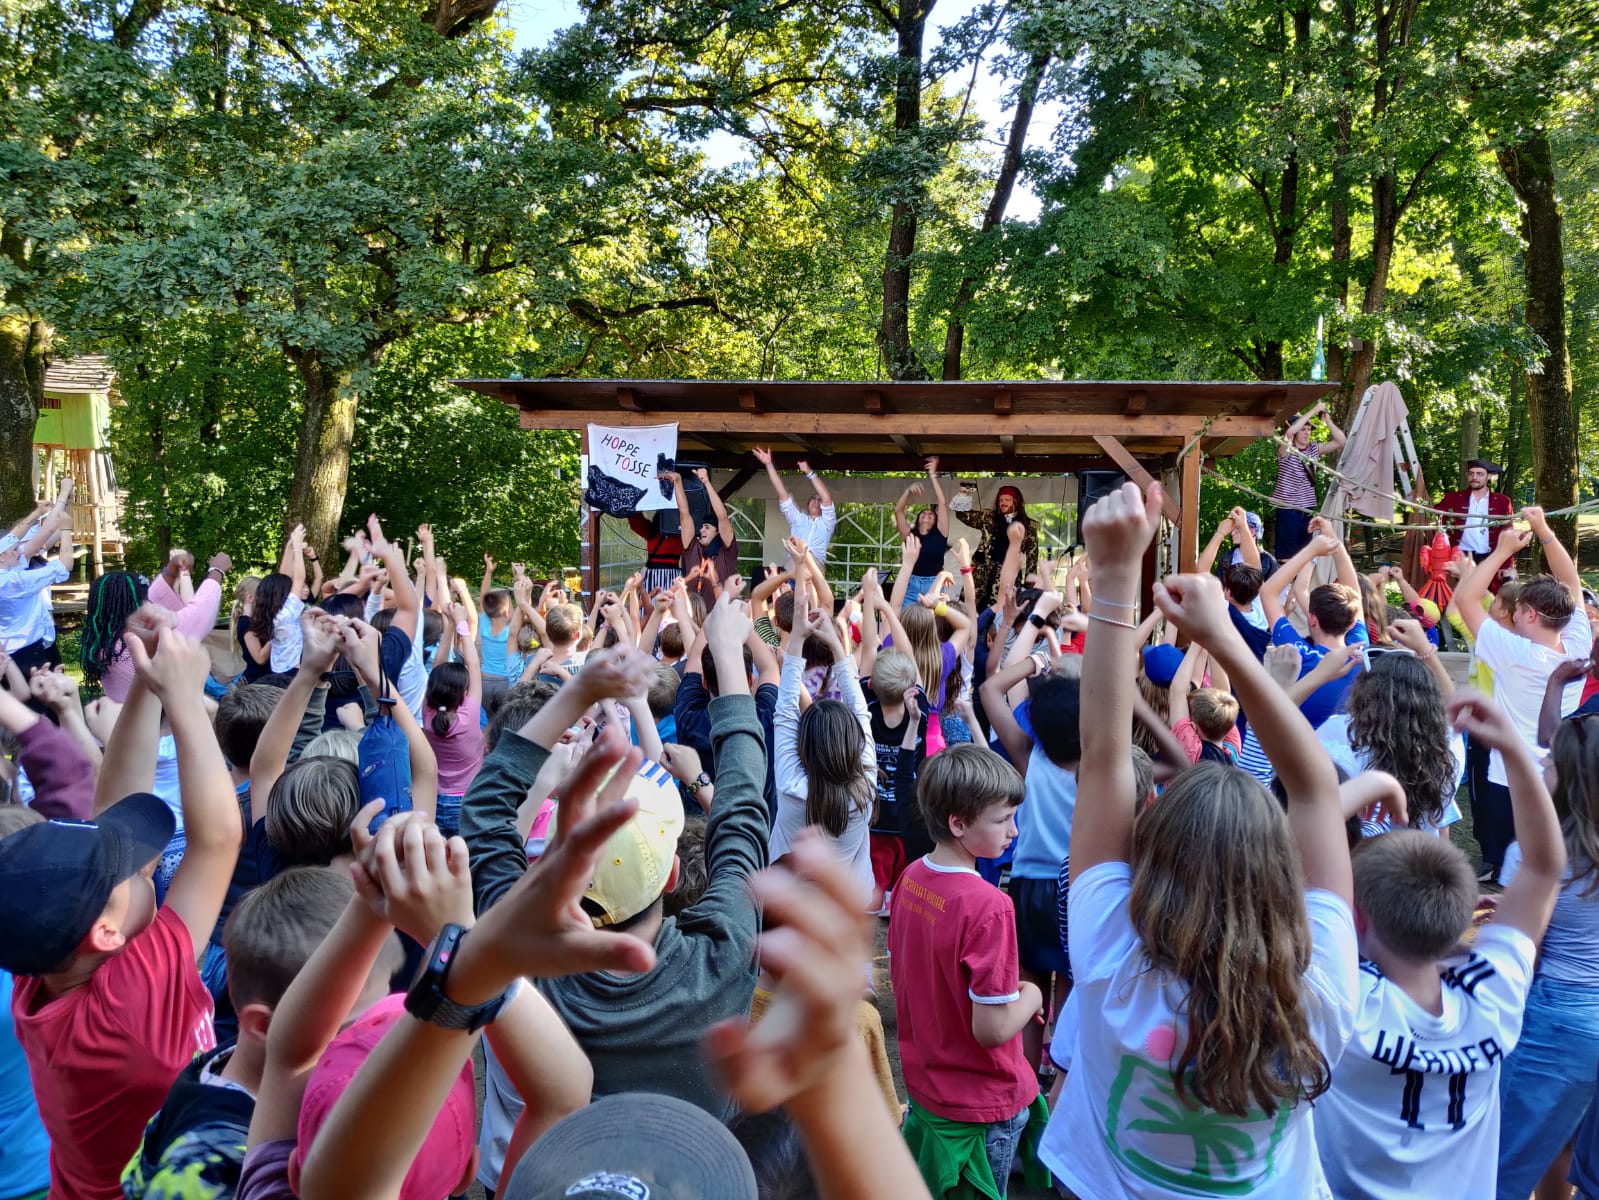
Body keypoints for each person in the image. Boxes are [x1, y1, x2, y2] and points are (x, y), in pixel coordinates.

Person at [1041, 479, 1357, 1198]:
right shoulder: (1322, 994)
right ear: (1280, 874)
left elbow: (1101, 754)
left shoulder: (1108, 960)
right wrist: (1225, 640)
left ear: (1149, 859)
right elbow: (1311, 789)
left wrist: (1117, 580)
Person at [460, 600, 770, 1189]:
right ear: (673, 875)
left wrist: (577, 693)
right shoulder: (722, 956)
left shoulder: (517, 957)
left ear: (558, 863)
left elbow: (483, 816)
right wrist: (730, 659)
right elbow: (743, 811)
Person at [1, 627, 239, 1200]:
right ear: (106, 933)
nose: (146, 867)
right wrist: (185, 700)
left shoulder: (42, 967)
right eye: (131, 874)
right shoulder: (131, 1007)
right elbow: (218, 841)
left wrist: (147, 687)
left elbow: (112, 808)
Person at [1315, 689, 1565, 1199]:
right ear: (1460, 923)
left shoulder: (1342, 1006)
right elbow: (1543, 868)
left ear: (1355, 917)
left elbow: (1282, 853)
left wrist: (1375, 783)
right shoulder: (1491, 996)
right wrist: (1514, 750)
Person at [888, 744, 1045, 1199]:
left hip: (928, 1088)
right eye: (1002, 820)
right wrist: (1032, 995)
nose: (1014, 831)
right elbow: (992, 1029)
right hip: (980, 1104)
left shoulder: (912, 877)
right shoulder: (990, 907)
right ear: (958, 822)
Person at [1494, 711, 1599, 1199]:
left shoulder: (1539, 858)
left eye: (1551, 762)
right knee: (1580, 1157)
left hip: (1559, 1024)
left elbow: (1520, 963)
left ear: (1573, 781)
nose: (1542, 766)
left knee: (1500, 1165)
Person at [1452, 507, 1590, 880]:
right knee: (1550, 861)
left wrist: (1501, 551)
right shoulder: (1577, 641)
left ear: (1528, 615)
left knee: (1518, 868)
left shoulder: (1516, 655)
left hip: (1510, 776)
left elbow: (1466, 601)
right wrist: (1543, 529)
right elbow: (1570, 578)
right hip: (1560, 772)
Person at [773, 598, 876, 901]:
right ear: (853, 742)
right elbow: (860, 709)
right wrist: (836, 644)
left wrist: (796, 641)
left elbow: (786, 711)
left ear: (804, 743)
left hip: (789, 902)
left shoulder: (790, 784)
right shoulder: (865, 786)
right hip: (847, 903)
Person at [1270, 399, 1346, 559]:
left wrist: (1327, 420)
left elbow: (1341, 441)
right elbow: (1289, 434)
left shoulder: (1313, 449)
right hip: (1287, 509)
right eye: (1303, 429)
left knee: (1306, 555)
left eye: (1309, 429)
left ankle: (1304, 583)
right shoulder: (1286, 449)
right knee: (1287, 555)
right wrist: (1315, 409)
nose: (1306, 433)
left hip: (1307, 509)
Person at [0, 516, 75, 677]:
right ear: (2, 556)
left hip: (12, 646)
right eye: (15, 549)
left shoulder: (13, 571)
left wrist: (62, 500)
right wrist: (67, 530)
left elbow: (49, 531)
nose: (19, 552)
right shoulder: (16, 580)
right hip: (26, 649)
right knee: (36, 697)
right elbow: (65, 565)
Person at [956, 484, 1038, 611]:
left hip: (1007, 575)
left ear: (1016, 502)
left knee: (999, 611)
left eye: (1007, 500)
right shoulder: (989, 517)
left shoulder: (1029, 526)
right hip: (981, 572)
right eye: (1000, 500)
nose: (1003, 503)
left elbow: (1032, 557)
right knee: (967, 607)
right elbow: (963, 515)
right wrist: (963, 494)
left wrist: (1029, 587)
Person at [663, 468, 738, 603]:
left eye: (707, 527)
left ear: (718, 532)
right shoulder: (692, 548)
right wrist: (678, 483)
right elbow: (684, 514)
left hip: (718, 616)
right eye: (702, 527)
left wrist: (707, 483)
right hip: (692, 615)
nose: (702, 530)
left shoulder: (727, 552)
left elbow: (722, 517)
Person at [754, 447, 837, 561]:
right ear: (808, 504)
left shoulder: (828, 522)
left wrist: (809, 472)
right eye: (813, 498)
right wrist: (769, 464)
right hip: (794, 566)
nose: (817, 502)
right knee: (792, 564)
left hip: (815, 569)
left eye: (820, 500)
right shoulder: (798, 519)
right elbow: (782, 494)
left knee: (812, 563)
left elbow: (827, 499)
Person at [893, 458, 951, 605]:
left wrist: (932, 475)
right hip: (912, 583)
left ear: (936, 520)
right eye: (923, 513)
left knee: (935, 625)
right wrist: (907, 492)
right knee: (907, 623)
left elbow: (942, 502)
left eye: (931, 514)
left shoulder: (941, 533)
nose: (927, 514)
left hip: (934, 583)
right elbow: (898, 511)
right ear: (918, 519)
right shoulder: (910, 535)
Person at [1438, 459, 1515, 561]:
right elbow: (1432, 514)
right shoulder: (1452, 499)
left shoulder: (1503, 501)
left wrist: (1507, 565)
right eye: (1471, 473)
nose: (1474, 477)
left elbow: (1508, 534)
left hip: (1490, 557)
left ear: (1488, 476)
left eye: (1479, 474)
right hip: (1460, 557)